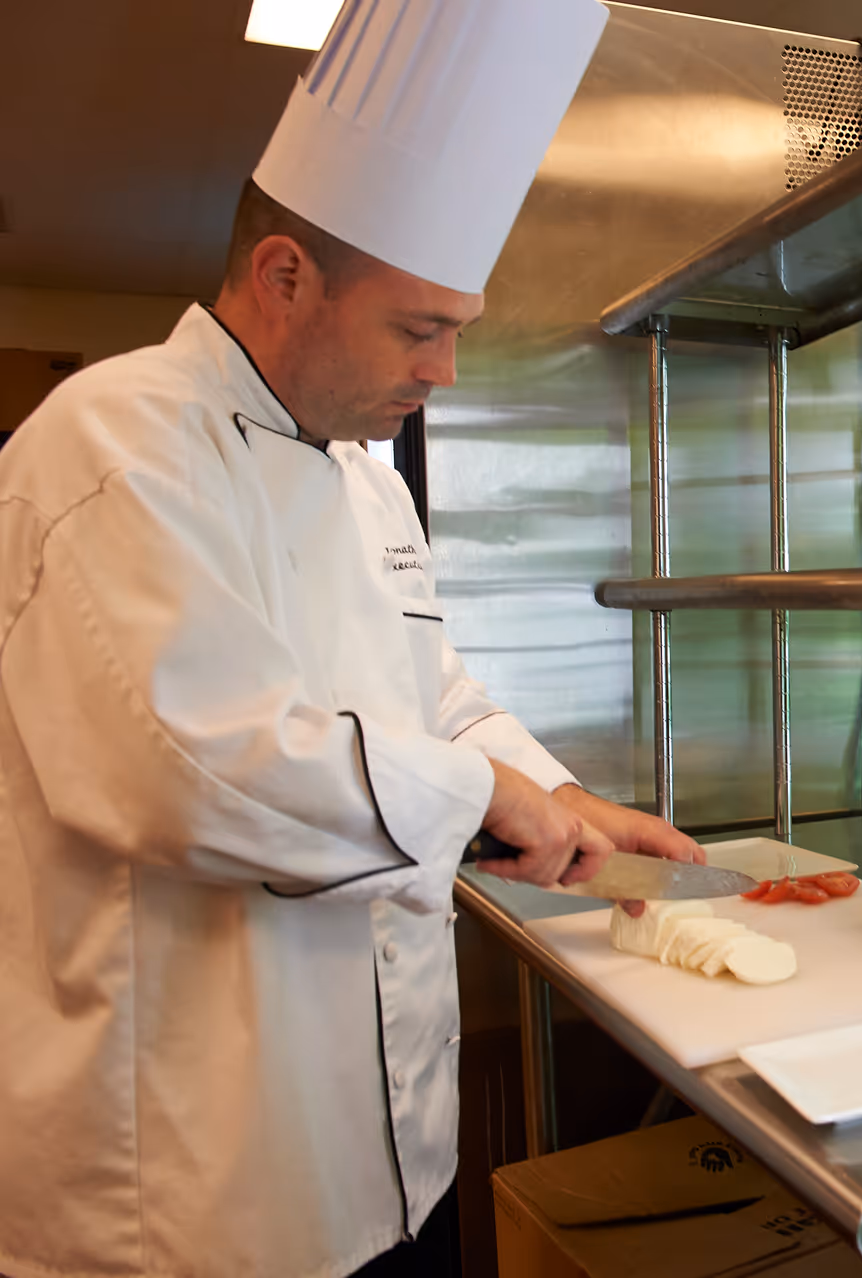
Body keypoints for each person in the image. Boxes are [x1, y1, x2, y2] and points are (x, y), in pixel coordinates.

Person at [0, 1, 695, 1274]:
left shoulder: (367, 478)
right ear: (284, 277)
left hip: (395, 1160)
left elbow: (429, 689)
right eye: (418, 327)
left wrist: (560, 795)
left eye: (456, 333)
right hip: (192, 1197)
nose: (442, 371)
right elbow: (199, 768)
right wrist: (487, 796)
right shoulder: (113, 444)